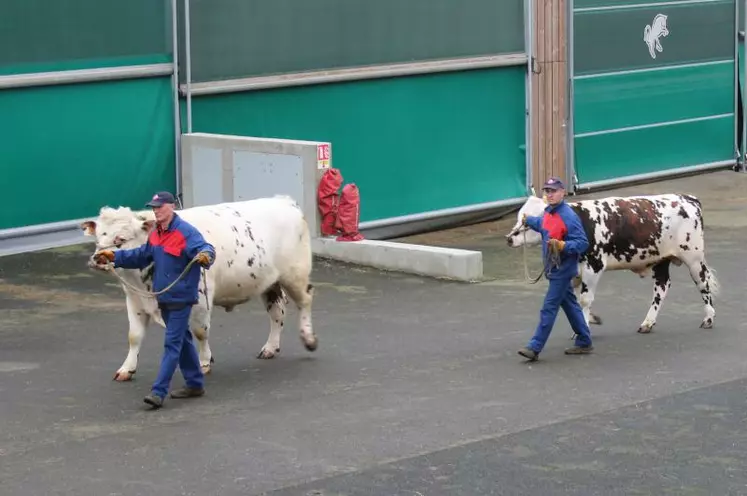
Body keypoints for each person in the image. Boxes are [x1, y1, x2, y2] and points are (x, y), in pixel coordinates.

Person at [93, 191, 216, 409]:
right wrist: (115, 257)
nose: (156, 211)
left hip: (180, 296)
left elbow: (206, 248)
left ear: (171, 207)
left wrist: (206, 256)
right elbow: (142, 255)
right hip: (164, 296)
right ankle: (195, 383)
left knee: (172, 344)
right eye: (154, 207)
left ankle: (158, 392)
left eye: (160, 207)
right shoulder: (157, 234)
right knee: (183, 340)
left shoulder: (185, 232)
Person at [517, 177, 593, 361]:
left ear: (562, 192)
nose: (549, 194)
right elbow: (543, 225)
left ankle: (535, 347)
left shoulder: (568, 216)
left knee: (549, 307)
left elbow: (582, 243)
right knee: (570, 304)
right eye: (547, 191)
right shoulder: (548, 212)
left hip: (562, 269)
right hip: (553, 267)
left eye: (553, 191)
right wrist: (529, 220)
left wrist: (562, 246)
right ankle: (584, 340)